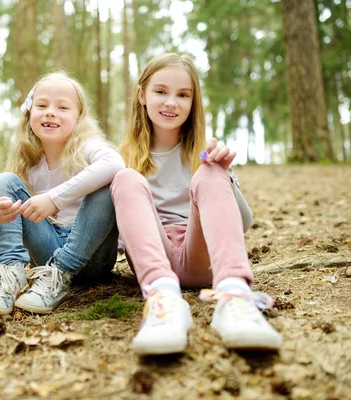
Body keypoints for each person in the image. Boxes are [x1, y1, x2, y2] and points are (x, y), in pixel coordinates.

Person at [111, 53, 282, 355]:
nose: (171, 102)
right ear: (142, 95)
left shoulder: (204, 151)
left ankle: (235, 295)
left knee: (211, 171)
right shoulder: (121, 156)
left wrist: (225, 174)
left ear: (193, 102)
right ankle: (164, 301)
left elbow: (243, 222)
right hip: (154, 262)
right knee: (125, 178)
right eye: (160, 91)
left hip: (201, 259)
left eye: (183, 95)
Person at [0, 71, 124, 317]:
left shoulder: (88, 148)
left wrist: (54, 200)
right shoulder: (28, 161)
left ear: (79, 118)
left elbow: (115, 163)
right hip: (46, 252)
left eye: (63, 107)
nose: (50, 112)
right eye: (42, 105)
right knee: (3, 180)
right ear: (29, 113)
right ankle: (12, 276)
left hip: (93, 256)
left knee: (107, 183)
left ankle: (61, 274)